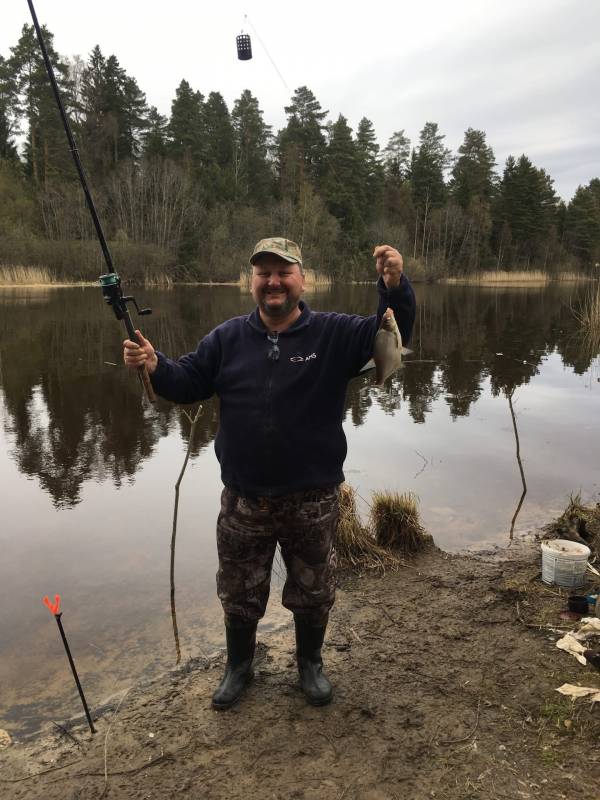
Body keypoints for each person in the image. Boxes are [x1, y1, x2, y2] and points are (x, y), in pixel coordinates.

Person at [123, 237, 416, 710]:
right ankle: (239, 666)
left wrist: (394, 287)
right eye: (264, 273)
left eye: (283, 272)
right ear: (252, 282)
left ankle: (310, 665)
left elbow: (393, 332)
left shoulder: (334, 334)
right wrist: (156, 366)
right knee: (239, 592)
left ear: (303, 279)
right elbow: (188, 382)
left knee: (313, 589)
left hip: (313, 497)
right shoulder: (225, 339)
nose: (273, 282)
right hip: (244, 498)